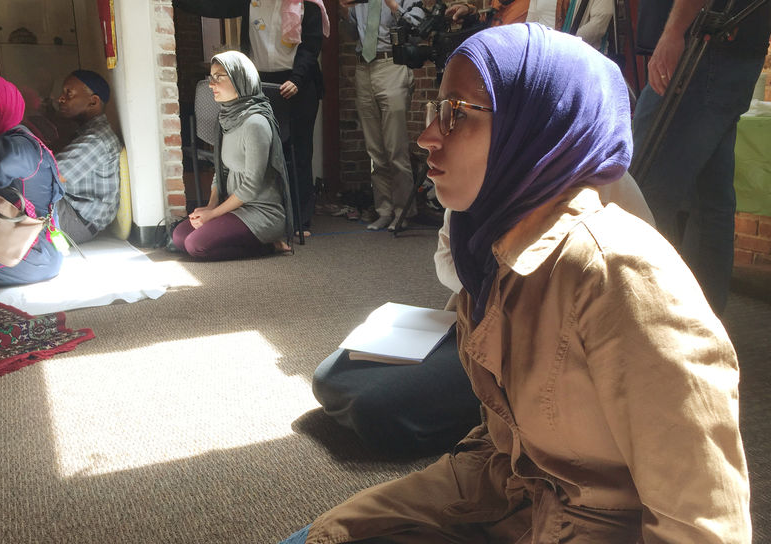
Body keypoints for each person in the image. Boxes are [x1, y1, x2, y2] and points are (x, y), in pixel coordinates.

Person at [261, 24, 750, 544]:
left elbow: (706, 538)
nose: (426, 137)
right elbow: (506, 429)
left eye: (456, 113)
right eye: (434, 110)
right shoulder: (491, 237)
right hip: (507, 496)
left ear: (533, 123)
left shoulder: (620, 272)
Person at [312, 172, 653, 459]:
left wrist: (493, 279)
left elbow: (631, 286)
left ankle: (496, 419)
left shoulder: (596, 177)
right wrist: (485, 279)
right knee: (330, 375)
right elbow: (445, 259)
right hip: (477, 320)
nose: (428, 139)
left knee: (373, 410)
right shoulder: (475, 166)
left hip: (536, 350)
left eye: (457, 113)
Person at [631, 0, 771, 315]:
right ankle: (700, 336)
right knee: (710, 205)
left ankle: (644, 334)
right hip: (728, 41)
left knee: (641, 200)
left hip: (705, 41)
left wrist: (675, 29)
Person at [172, 51, 294, 259]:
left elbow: (251, 186)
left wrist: (213, 215)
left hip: (260, 213)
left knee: (196, 245)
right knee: (180, 236)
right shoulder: (227, 118)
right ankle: (233, 233)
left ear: (240, 80)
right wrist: (210, 206)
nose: (211, 84)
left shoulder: (256, 123)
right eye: (211, 77)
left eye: (219, 77)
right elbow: (222, 171)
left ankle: (270, 245)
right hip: (233, 207)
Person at [0, 72, 65, 291]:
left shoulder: (22, 147)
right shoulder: (0, 140)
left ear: (5, 111)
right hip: (0, 239)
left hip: (29, 254)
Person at [338, 0, 424, 231]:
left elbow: (417, 27)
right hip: (364, 69)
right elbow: (351, 35)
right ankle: (384, 210)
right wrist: (344, 12)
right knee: (374, 149)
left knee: (396, 148)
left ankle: (403, 211)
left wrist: (392, 5)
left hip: (392, 65)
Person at [248, 0, 329, 237]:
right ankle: (271, 214)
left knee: (299, 151)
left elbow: (311, 47)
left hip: (298, 83)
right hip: (261, 81)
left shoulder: (309, 6)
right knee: (266, 151)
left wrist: (297, 78)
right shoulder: (251, 3)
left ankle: (300, 220)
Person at [53, 70, 121, 244]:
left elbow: (50, 176)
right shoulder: (86, 133)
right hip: (72, 213)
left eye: (69, 93)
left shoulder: (96, 140)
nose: (61, 98)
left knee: (22, 189)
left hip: (77, 222)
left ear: (93, 101)